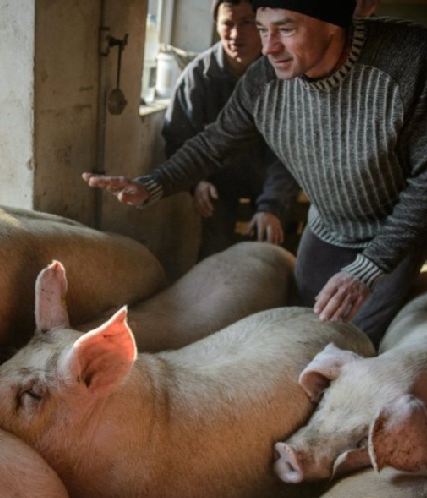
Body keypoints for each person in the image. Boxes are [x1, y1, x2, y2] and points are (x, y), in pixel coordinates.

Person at [83, 0, 427, 348]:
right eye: (263, 30)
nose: (268, 48)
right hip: (328, 223)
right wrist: (153, 184)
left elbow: (424, 183)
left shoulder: (410, 63)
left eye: (286, 29)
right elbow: (214, 144)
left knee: (355, 340)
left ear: (332, 24)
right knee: (305, 326)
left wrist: (370, 267)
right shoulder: (263, 81)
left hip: (396, 230)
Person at [163, 0, 298, 259]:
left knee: (271, 256)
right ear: (217, 25)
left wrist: (271, 206)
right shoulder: (197, 77)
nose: (236, 35)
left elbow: (289, 151)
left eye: (246, 23)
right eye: (228, 24)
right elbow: (177, 138)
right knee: (215, 254)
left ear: (262, 25)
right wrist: (196, 182)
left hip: (269, 181)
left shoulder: (283, 74)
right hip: (219, 184)